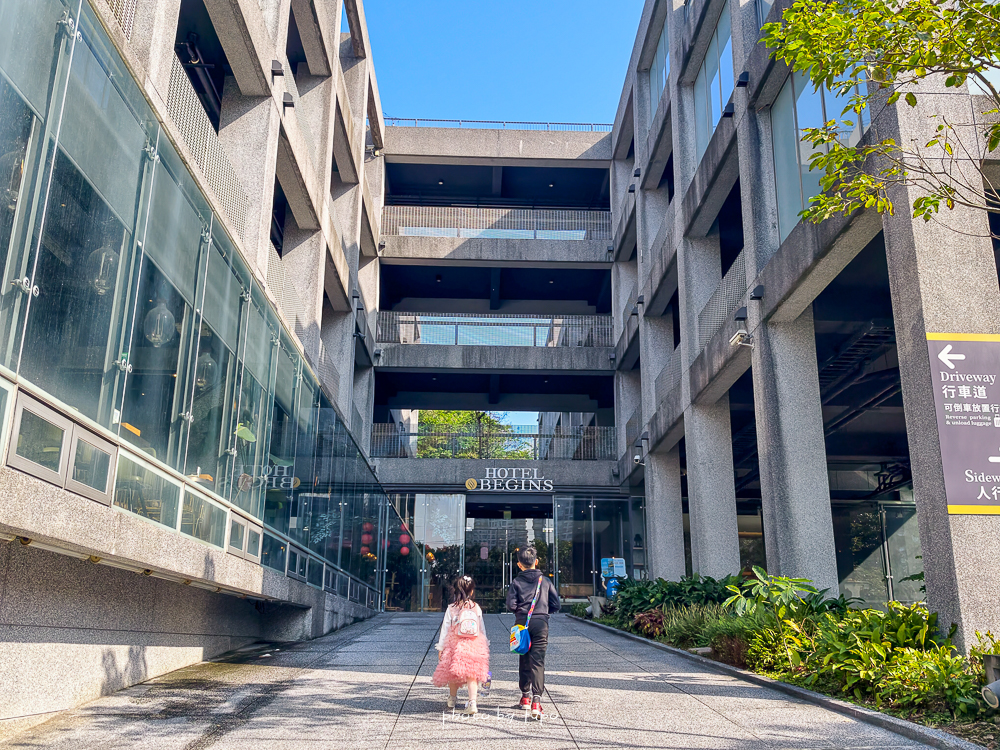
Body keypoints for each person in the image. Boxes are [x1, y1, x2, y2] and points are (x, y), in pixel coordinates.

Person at [506, 546, 560, 720]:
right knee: (538, 661)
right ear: (536, 562)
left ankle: (525, 697)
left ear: (519, 564)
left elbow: (511, 605)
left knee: (523, 657)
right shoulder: (545, 581)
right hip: (541, 624)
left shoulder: (516, 582)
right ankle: (536, 702)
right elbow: (556, 604)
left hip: (522, 623)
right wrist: (543, 612)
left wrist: (521, 611)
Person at [432, 575, 490, 715]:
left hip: (455, 644)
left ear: (455, 590)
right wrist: (485, 644)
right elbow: (481, 628)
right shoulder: (475, 607)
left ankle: (452, 699)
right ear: (471, 591)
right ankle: (472, 702)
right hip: (473, 644)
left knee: (453, 673)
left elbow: (445, 628)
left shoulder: (451, 608)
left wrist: (441, 647)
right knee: (472, 674)